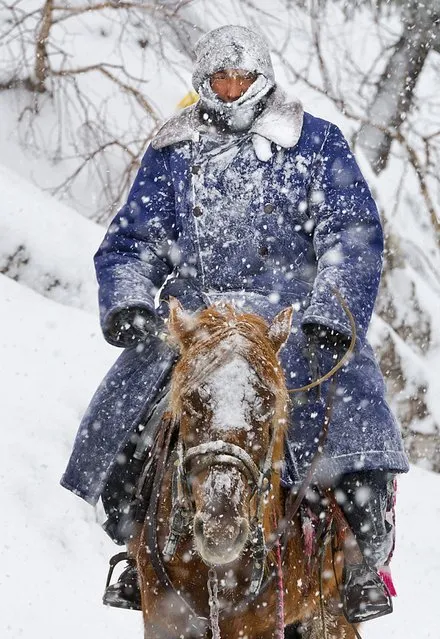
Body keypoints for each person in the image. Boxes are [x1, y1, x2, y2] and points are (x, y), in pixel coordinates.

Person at [61, 25, 409, 624]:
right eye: (218, 78)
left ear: (261, 79)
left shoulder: (314, 143)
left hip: (294, 325)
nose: (229, 88)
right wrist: (130, 304)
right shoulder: (173, 151)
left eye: (240, 77)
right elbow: (132, 243)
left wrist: (330, 314)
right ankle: (134, 550)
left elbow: (352, 239)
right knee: (124, 439)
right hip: (197, 323)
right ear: (202, 82)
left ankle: (356, 568)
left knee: (355, 446)